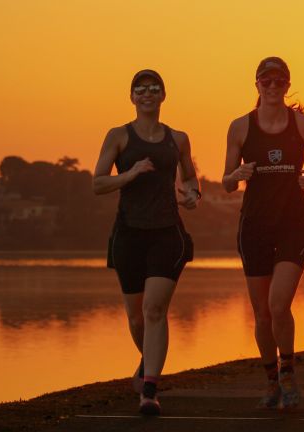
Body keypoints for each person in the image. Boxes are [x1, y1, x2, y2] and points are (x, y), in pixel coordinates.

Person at [92, 69, 200, 415]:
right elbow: (98, 184)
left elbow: (190, 176)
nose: (147, 94)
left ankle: (150, 390)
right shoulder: (119, 136)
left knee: (155, 310)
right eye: (140, 89)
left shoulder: (178, 138)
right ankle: (148, 361)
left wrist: (192, 194)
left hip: (167, 233)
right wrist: (132, 173)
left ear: (163, 96)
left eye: (154, 89)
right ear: (132, 97)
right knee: (136, 318)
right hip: (128, 234)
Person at [222, 57, 304, 409]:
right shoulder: (239, 127)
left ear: (287, 84)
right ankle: (270, 380)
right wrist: (236, 176)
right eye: (265, 81)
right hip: (254, 226)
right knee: (262, 314)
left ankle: (287, 371)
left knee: (278, 304)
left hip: (293, 224)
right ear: (256, 85)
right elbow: (226, 184)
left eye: (278, 80)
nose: (272, 86)